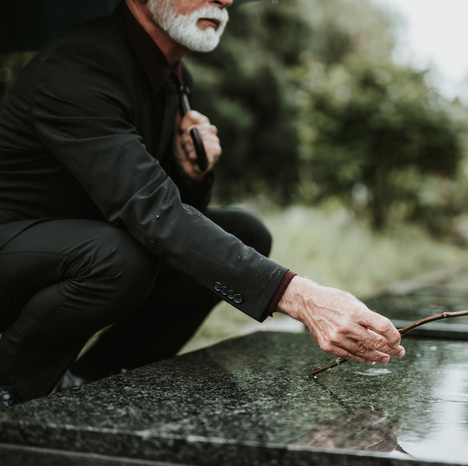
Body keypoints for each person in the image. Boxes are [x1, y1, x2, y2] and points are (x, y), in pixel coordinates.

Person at [0, 0, 404, 407]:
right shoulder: (78, 64)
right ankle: (9, 387)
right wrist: (299, 296)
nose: (225, 1)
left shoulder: (176, 79)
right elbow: (149, 212)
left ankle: (92, 381)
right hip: (15, 245)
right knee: (119, 257)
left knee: (246, 231)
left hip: (87, 240)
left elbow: (152, 200)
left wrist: (190, 174)